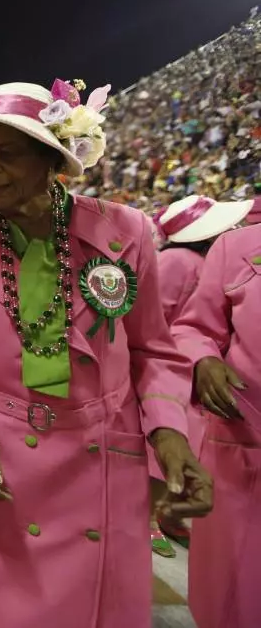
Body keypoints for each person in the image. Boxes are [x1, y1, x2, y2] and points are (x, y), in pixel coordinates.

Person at [0, 80, 213, 628]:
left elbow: (154, 350)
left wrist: (169, 434)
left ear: (52, 158)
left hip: (103, 459)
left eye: (7, 154)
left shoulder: (124, 232)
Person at [146, 194, 252, 556]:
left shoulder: (196, 260)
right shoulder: (179, 260)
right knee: (167, 442)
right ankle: (149, 516)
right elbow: (156, 316)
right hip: (173, 366)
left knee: (188, 442)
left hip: (190, 365)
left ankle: (168, 511)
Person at [170, 223, 261, 628]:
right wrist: (203, 358)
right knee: (232, 595)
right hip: (242, 445)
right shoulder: (238, 246)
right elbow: (192, 327)